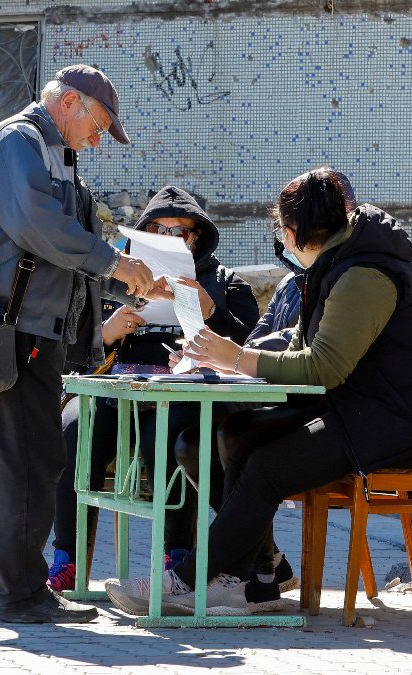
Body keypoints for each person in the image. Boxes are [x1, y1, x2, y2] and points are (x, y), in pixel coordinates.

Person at [104, 167, 412, 616]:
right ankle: (254, 581)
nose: (281, 238)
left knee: (267, 468)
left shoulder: (365, 276)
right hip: (366, 412)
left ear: (297, 231)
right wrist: (220, 354)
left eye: (281, 228)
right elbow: (300, 341)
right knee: (236, 434)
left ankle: (186, 580)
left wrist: (235, 359)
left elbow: (324, 366)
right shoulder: (337, 264)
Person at [0, 64, 163, 624]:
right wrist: (115, 262)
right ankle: (23, 596)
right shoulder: (19, 140)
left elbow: (68, 242)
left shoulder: (55, 154)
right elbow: (36, 225)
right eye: (98, 125)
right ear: (68, 103)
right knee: (32, 464)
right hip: (14, 328)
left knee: (4, 466)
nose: (96, 140)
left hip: (28, 328)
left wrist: (127, 277)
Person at [47, 186, 260, 592]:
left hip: (180, 393)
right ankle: (68, 558)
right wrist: (105, 333)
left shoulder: (223, 283)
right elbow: (73, 349)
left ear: (196, 238)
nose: (168, 238)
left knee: (166, 434)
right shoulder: (116, 281)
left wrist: (210, 313)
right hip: (117, 387)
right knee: (75, 427)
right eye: (158, 230)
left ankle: (176, 556)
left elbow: (251, 348)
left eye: (179, 231)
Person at [166, 171, 357, 594]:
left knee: (241, 439)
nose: (286, 238)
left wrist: (236, 354)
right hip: (277, 400)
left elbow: (318, 360)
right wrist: (208, 357)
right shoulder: (292, 284)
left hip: (320, 408)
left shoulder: (351, 280)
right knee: (190, 443)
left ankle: (202, 579)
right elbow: (258, 341)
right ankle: (265, 561)